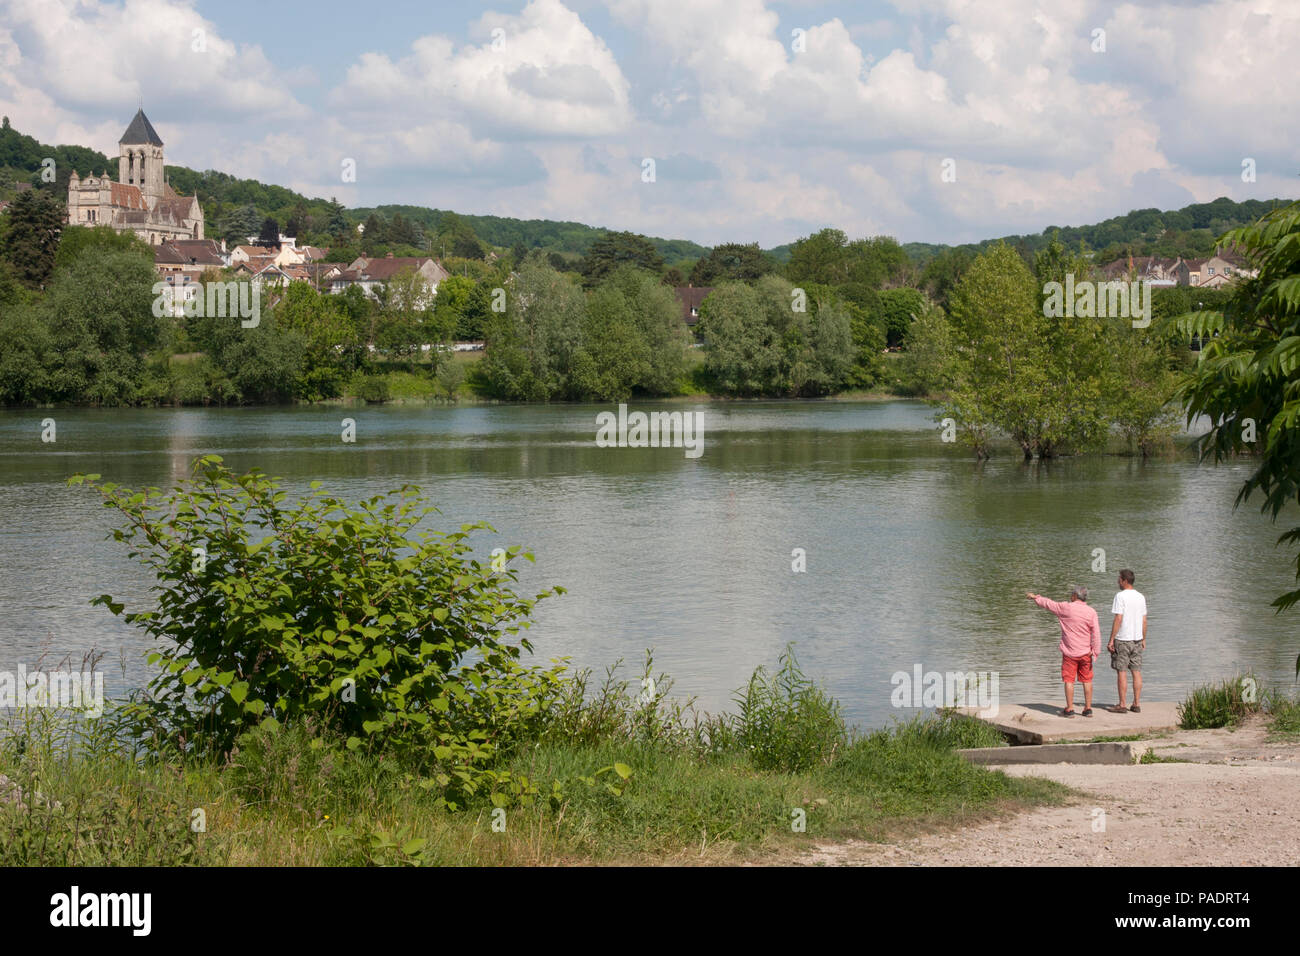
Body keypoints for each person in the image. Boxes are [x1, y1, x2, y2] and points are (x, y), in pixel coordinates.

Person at [1026, 585, 1101, 717]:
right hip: (1086, 653)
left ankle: (1070, 709)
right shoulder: (1091, 612)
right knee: (1087, 680)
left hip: (1069, 653)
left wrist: (1036, 598)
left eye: (1071, 595)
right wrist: (1095, 651)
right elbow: (1096, 634)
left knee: (1069, 680)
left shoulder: (1066, 608)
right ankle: (1088, 709)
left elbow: (1049, 604)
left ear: (1074, 596)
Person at [1108, 569, 1148, 713]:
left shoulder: (1120, 596)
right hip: (1137, 639)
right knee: (1136, 671)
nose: (1118, 581)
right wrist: (1143, 638)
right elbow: (1144, 620)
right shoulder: (1140, 597)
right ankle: (1136, 703)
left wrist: (1111, 639)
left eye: (1119, 579)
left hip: (1123, 638)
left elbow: (1119, 618)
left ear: (1124, 580)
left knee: (1122, 671)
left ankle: (1122, 704)